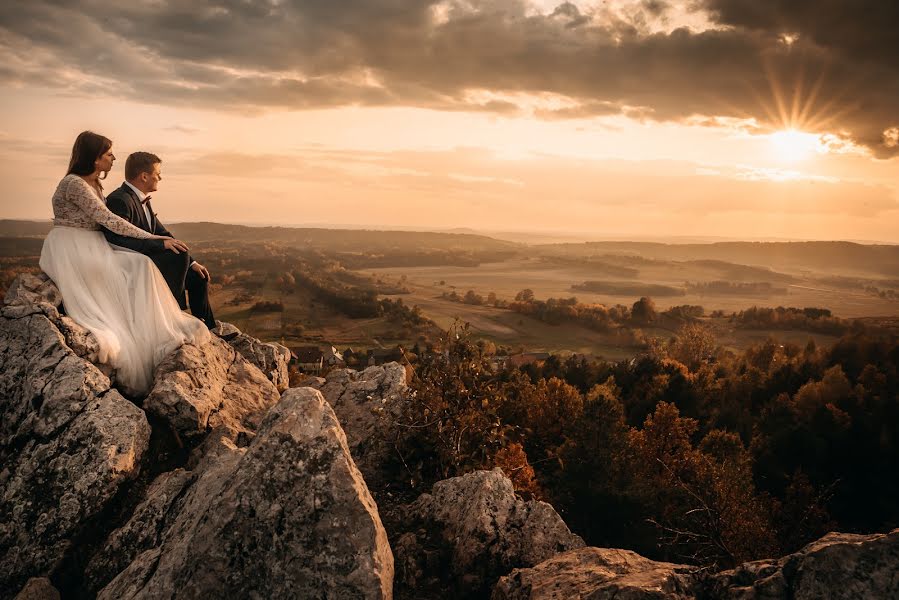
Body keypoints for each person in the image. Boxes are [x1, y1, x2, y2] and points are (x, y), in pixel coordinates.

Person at [39, 131, 210, 396]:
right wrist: (152, 238)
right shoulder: (74, 183)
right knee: (137, 266)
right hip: (74, 246)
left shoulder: (94, 183)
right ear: (95, 158)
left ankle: (164, 321)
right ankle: (153, 324)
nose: (113, 159)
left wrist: (161, 240)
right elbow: (110, 221)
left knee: (141, 265)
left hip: (93, 244)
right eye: (108, 154)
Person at [102, 152, 217, 329]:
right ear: (144, 176)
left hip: (147, 259)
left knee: (198, 275)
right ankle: (175, 316)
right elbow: (115, 240)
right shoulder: (120, 200)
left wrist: (192, 263)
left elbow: (163, 233)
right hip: (130, 265)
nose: (160, 178)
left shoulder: (141, 199)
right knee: (178, 256)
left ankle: (209, 327)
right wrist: (160, 244)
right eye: (158, 174)